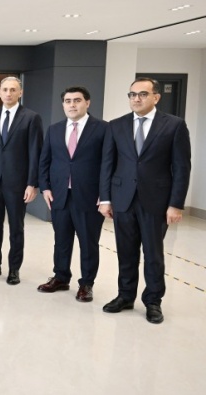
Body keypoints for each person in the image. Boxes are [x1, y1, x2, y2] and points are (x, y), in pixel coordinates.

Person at [99, 77, 191, 324]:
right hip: (123, 199)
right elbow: (107, 164)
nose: (136, 99)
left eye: (142, 94)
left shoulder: (174, 125)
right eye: (132, 94)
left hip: (156, 201)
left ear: (156, 97)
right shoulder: (116, 125)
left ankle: (153, 301)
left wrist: (176, 204)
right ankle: (125, 296)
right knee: (126, 252)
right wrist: (105, 198)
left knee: (153, 255)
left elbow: (181, 168)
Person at [37, 86, 107, 302]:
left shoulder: (103, 128)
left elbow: (109, 164)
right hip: (60, 195)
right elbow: (45, 161)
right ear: (63, 105)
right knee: (61, 240)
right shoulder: (55, 129)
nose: (72, 105)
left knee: (88, 242)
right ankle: (61, 277)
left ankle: (86, 284)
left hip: (89, 196)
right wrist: (45, 187)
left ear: (87, 102)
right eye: (68, 101)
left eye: (77, 100)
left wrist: (105, 194)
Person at [0, 76, 43, 285]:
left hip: (18, 183)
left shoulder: (31, 118)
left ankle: (14, 268)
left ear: (20, 93)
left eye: (13, 89)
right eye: (5, 89)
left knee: (16, 228)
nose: (8, 93)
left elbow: (35, 152)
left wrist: (32, 183)